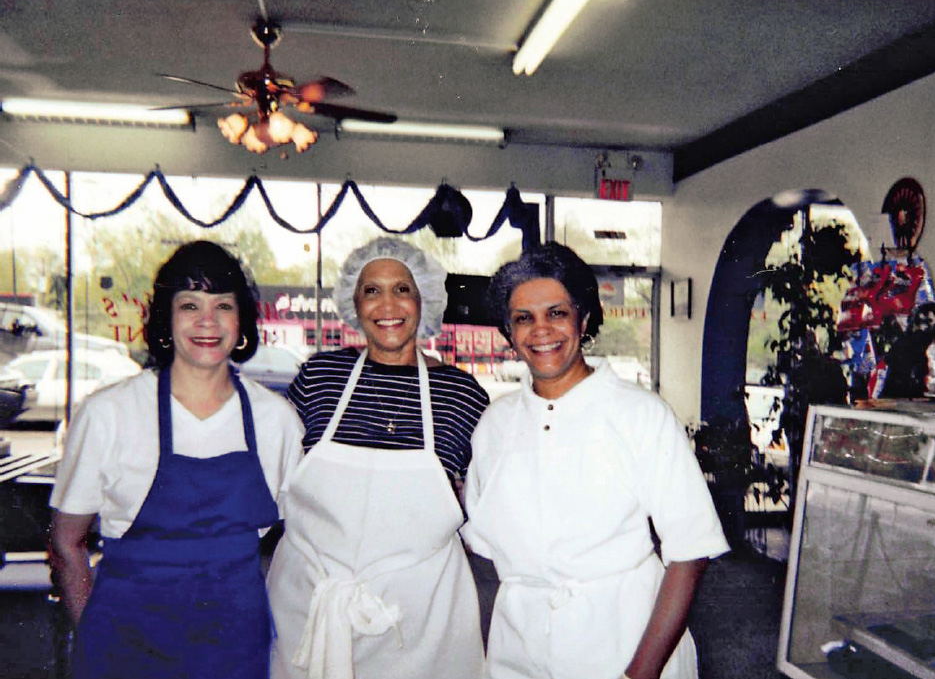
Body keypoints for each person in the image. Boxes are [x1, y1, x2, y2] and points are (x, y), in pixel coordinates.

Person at [462, 242, 730, 679]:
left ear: (584, 320)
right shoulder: (495, 424)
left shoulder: (640, 414)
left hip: (624, 642)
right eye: (523, 319)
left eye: (557, 313)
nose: (541, 330)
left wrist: (639, 673)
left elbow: (690, 552)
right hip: (520, 646)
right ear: (508, 333)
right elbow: (484, 540)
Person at [48, 240, 304, 679]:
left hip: (236, 647)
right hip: (125, 645)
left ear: (241, 320)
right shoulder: (108, 413)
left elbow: (300, 538)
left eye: (222, 305)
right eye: (190, 305)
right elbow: (66, 542)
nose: (207, 321)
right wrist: (95, 633)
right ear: (165, 318)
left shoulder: (275, 421)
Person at [268, 237, 489, 679]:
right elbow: (277, 476)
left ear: (423, 300)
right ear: (354, 303)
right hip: (310, 602)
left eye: (402, 289)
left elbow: (484, 497)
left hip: (421, 617)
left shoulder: (462, 395)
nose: (388, 304)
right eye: (372, 290)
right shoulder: (319, 377)